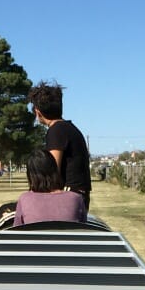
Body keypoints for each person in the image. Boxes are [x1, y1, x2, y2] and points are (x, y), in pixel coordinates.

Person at [28, 81, 92, 210]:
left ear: (37, 111)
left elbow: (51, 171)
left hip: (69, 196)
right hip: (79, 195)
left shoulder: (56, 130)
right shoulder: (68, 128)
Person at [14, 150, 86, 226]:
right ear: (55, 169)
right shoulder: (75, 198)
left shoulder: (24, 199)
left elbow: (15, 232)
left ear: (30, 175)